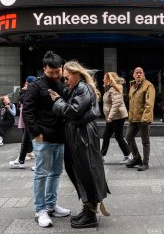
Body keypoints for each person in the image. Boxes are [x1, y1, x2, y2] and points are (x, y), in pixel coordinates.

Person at [50, 61, 110, 229]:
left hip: (83, 136)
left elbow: (72, 111)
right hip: (78, 134)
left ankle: (90, 214)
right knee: (80, 173)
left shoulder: (83, 88)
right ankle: (87, 209)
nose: (65, 80)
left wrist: (58, 101)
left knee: (86, 173)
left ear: (76, 74)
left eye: (67, 77)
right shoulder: (77, 88)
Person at [22, 51, 70, 228]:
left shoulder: (62, 83)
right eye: (52, 72)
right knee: (41, 174)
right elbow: (27, 111)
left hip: (60, 136)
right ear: (44, 69)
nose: (56, 75)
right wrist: (36, 133)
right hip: (43, 137)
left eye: (58, 71)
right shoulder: (35, 86)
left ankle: (51, 204)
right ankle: (40, 209)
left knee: (56, 173)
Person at [125, 67, 156, 171]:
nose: (138, 74)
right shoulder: (132, 86)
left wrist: (145, 118)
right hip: (133, 118)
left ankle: (145, 163)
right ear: (133, 74)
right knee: (128, 137)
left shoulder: (148, 85)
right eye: (136, 73)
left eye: (140, 73)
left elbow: (149, 103)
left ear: (143, 74)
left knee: (145, 141)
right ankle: (137, 158)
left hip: (143, 119)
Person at [101, 72, 132, 164]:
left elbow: (116, 104)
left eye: (104, 78)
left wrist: (110, 117)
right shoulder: (110, 88)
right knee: (106, 135)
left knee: (118, 137)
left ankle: (129, 156)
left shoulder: (114, 88)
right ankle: (101, 156)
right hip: (113, 116)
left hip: (117, 116)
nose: (103, 80)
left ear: (109, 79)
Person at [10, 76, 37, 169]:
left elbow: (24, 100)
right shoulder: (29, 90)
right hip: (28, 119)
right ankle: (21, 159)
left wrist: (24, 91)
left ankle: (38, 163)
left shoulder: (33, 90)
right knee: (25, 140)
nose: (25, 84)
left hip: (33, 120)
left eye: (27, 82)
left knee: (35, 141)